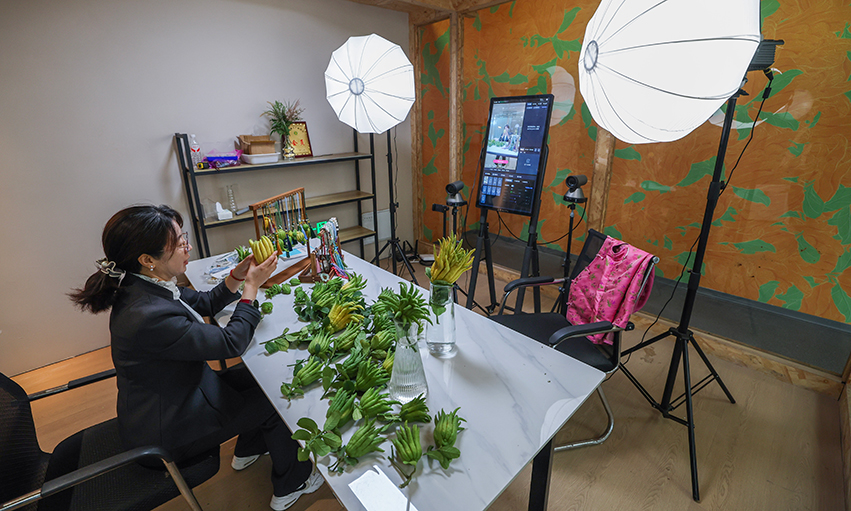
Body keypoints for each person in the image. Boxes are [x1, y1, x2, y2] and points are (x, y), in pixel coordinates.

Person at [69, 204, 323, 510]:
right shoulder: (148, 315)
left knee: (262, 379)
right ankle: (291, 484)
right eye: (178, 243)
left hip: (177, 394)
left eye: (183, 237)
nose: (187, 247)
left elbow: (205, 302)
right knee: (276, 403)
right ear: (148, 260)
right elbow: (231, 343)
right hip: (171, 431)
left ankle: (249, 449)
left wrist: (238, 275)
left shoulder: (144, 285)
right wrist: (251, 287)